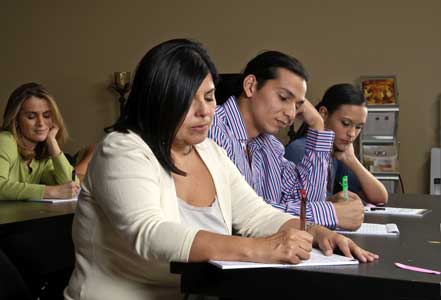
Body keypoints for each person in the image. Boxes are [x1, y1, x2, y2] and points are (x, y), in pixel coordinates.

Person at [64, 39, 378, 300]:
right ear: (158, 98)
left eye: (210, 97)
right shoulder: (123, 148)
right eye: (189, 100)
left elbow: (257, 215)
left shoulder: (208, 151)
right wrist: (259, 249)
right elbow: (152, 235)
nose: (204, 111)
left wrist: (313, 231)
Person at [208, 52, 364, 230]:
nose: (291, 113)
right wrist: (329, 213)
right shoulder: (212, 129)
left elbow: (307, 199)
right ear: (250, 86)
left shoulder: (270, 145)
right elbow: (241, 215)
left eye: (298, 105)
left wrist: (317, 124)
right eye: (283, 98)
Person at [286, 83, 388, 205]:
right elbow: (300, 207)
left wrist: (352, 160)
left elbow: (380, 198)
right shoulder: (300, 149)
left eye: (358, 127)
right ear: (323, 114)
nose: (352, 133)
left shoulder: (337, 152)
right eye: (345, 123)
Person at [0, 82, 79, 200]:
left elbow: (71, 186)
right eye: (31, 116)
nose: (41, 123)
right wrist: (48, 192)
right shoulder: (5, 141)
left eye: (47, 115)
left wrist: (52, 142)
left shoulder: (42, 156)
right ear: (15, 119)